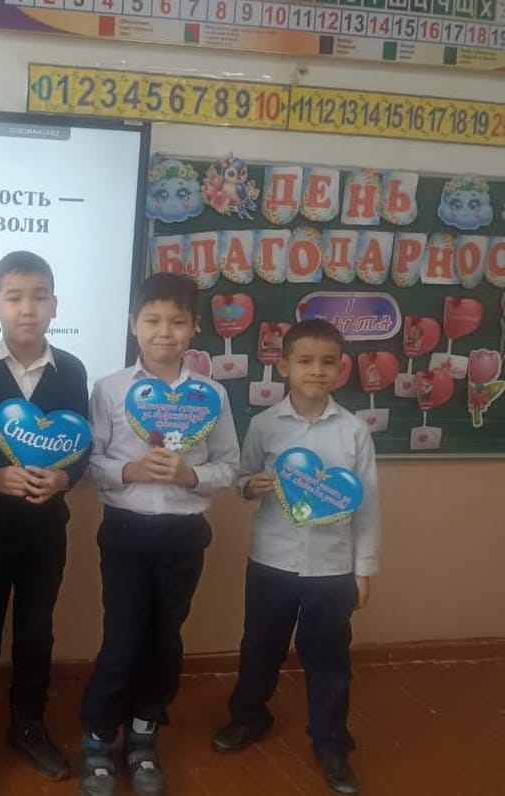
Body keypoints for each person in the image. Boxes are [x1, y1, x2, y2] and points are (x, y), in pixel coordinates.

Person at [79, 272, 240, 796]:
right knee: (123, 636)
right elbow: (90, 461)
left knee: (166, 637)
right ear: (134, 325)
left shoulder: (211, 395)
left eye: (177, 321)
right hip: (125, 531)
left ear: (194, 328)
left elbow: (229, 465)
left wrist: (190, 475)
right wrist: (131, 471)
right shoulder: (109, 389)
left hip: (184, 533)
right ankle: (98, 736)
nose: (164, 332)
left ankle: (144, 733)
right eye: (152, 321)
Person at [211, 318, 380, 796]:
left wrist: (364, 569)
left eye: (328, 362)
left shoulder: (354, 431)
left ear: (341, 369)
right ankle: (249, 717)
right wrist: (252, 485)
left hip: (332, 567)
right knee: (260, 645)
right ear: (284, 365)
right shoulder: (265, 425)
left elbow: (367, 504)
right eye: (305, 361)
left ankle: (331, 744)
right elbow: (240, 477)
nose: (317, 371)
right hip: (272, 560)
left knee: (329, 658)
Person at [0, 251, 90, 794]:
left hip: (46, 531)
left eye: (39, 297)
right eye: (14, 297)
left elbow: (81, 446)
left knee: (36, 632)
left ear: (55, 305)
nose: (27, 308)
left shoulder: (71, 371)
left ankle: (28, 725)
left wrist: (65, 478)